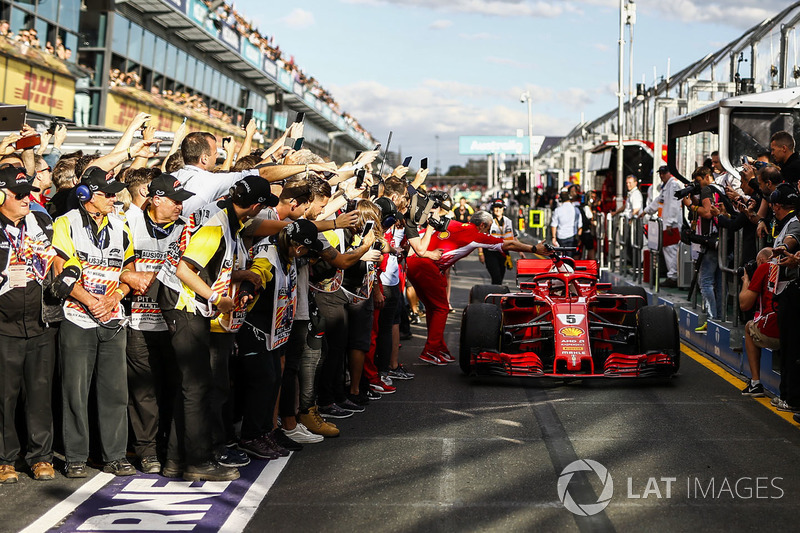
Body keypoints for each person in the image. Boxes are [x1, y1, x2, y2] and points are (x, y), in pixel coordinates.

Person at [157, 175, 277, 481]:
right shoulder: (217, 222)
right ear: (255, 206)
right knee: (197, 387)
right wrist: (216, 298)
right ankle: (197, 462)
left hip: (185, 300)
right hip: (184, 302)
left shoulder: (224, 216)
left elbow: (213, 263)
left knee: (193, 387)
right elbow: (185, 268)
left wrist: (241, 275)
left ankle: (174, 460)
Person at [51, 166, 137, 478]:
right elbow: (60, 272)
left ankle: (114, 456)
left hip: (112, 319)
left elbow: (129, 271)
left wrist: (116, 296)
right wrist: (91, 300)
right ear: (87, 196)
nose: (115, 199)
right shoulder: (66, 223)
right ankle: (76, 457)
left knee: (115, 392)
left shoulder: (121, 225)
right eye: (108, 194)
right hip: (77, 317)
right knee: (75, 392)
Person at [408, 210, 550, 365]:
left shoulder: (452, 223)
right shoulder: (476, 235)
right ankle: (430, 350)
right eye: (488, 229)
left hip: (413, 261)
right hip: (427, 265)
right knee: (441, 308)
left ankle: (438, 347)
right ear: (482, 225)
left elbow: (420, 233)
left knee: (433, 308)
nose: (488, 232)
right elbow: (508, 243)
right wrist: (534, 249)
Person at [124, 174, 194, 474]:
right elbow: (116, 264)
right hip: (139, 320)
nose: (180, 206)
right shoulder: (130, 221)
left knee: (173, 388)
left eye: (182, 201)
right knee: (143, 391)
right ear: (155, 199)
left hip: (174, 322)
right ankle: (147, 451)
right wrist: (129, 276)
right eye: (175, 201)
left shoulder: (186, 229)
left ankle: (169, 446)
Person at [236, 220, 323, 459]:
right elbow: (257, 272)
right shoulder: (269, 252)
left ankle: (265, 431)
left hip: (275, 330)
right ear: (298, 247)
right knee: (262, 382)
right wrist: (246, 290)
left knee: (274, 379)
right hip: (255, 328)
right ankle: (250, 435)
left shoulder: (287, 255)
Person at [0, 168, 58, 484]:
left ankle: (41, 457)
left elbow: (58, 258)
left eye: (28, 193)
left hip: (39, 322)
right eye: (19, 194)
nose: (26, 199)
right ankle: (5, 460)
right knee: (4, 397)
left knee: (39, 394)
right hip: (3, 326)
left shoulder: (40, 223)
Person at [763, 184, 800, 413]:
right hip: (784, 290)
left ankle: (792, 398)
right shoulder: (783, 222)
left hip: (792, 290)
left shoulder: (794, 222)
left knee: (793, 348)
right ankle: (787, 394)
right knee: (788, 347)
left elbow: (792, 239)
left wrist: (784, 249)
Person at [686, 166, 723, 332]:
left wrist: (691, 206)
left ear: (707, 177)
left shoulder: (708, 189)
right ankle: (720, 320)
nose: (699, 185)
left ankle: (711, 318)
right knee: (720, 284)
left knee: (705, 282)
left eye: (699, 181)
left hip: (710, 241)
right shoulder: (720, 188)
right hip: (721, 240)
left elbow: (707, 213)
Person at [738, 248, 779, 397]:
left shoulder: (765, 267)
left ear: (761, 260)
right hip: (791, 328)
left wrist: (746, 282)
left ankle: (755, 382)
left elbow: (744, 304)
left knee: (749, 326)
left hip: (772, 329)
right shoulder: (788, 266)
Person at [641, 166, 683, 287]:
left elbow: (674, 205)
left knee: (671, 250)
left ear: (670, 173)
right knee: (667, 249)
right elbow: (658, 201)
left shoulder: (673, 185)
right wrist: (646, 211)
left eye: (664, 173)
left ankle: (673, 277)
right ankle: (672, 275)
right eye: (661, 173)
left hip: (672, 225)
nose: (662, 175)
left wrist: (670, 223)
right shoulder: (666, 187)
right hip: (667, 224)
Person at [479, 198, 514, 284]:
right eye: (496, 207)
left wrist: (521, 252)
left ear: (503, 209)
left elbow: (514, 237)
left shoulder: (508, 221)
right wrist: (480, 253)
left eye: (500, 207)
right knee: (496, 277)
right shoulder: (487, 221)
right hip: (490, 252)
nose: (498, 210)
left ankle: (496, 294)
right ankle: (495, 296)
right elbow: (480, 238)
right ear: (492, 209)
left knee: (500, 278)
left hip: (503, 252)